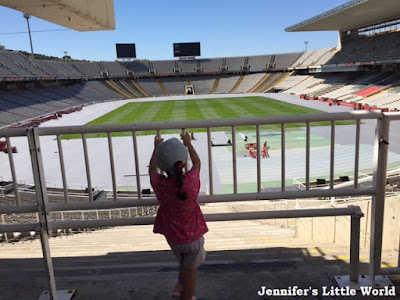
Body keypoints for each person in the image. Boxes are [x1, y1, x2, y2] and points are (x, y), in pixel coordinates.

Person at [149, 133, 208, 300]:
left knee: (184, 265)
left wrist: (155, 149)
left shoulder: (161, 185)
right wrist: (188, 143)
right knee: (191, 274)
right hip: (193, 239)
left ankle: (180, 285)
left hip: (174, 239)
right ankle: (187, 296)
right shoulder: (190, 181)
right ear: (182, 163)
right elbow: (197, 163)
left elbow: (152, 170)